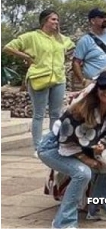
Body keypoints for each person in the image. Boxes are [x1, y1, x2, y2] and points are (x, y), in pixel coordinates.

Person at [37, 71, 106, 227]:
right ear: (97, 89)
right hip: (53, 148)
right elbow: (65, 141)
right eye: (104, 87)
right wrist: (87, 159)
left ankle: (98, 207)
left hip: (83, 148)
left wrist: (101, 147)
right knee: (82, 173)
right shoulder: (79, 110)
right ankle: (64, 223)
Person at [4, 9, 75, 149]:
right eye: (53, 19)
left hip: (59, 78)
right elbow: (8, 47)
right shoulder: (32, 36)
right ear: (44, 21)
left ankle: (53, 145)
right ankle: (38, 147)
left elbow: (72, 47)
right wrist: (27, 57)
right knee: (39, 114)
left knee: (55, 114)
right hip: (39, 78)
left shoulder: (61, 38)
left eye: (57, 20)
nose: (56, 22)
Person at [72, 8, 106, 83]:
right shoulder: (85, 41)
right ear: (93, 21)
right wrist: (83, 81)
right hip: (96, 83)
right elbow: (76, 63)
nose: (105, 19)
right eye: (101, 17)